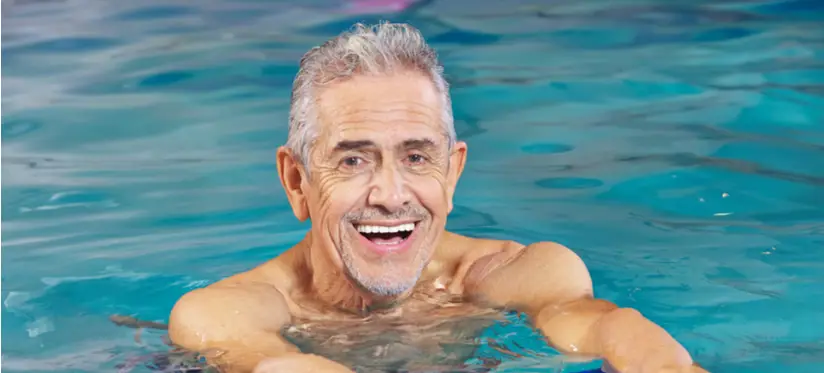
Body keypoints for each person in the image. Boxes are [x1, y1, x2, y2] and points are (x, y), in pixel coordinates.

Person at [167, 22, 709, 373]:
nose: (389, 194)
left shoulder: (513, 274)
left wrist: (655, 359)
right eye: (353, 160)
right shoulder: (228, 313)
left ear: (453, 173)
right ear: (296, 181)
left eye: (417, 157)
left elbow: (598, 325)